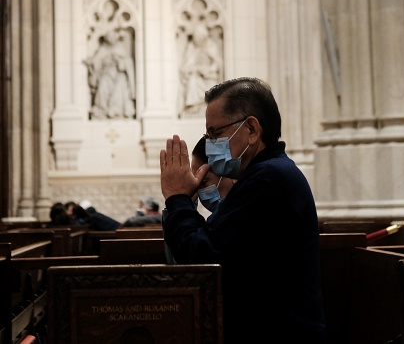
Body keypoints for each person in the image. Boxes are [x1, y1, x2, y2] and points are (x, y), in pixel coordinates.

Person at [160, 77, 326, 343]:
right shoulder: (268, 174)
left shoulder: (268, 179)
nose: (210, 143)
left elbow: (204, 259)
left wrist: (178, 197)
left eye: (214, 133)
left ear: (251, 128)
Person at [85, 29, 136, 119]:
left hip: (119, 74)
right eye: (109, 37)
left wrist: (119, 61)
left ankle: (116, 110)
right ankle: (102, 110)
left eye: (112, 37)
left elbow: (127, 64)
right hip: (106, 74)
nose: (110, 39)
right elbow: (96, 62)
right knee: (103, 84)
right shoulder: (103, 49)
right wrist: (92, 63)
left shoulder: (120, 49)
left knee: (120, 85)